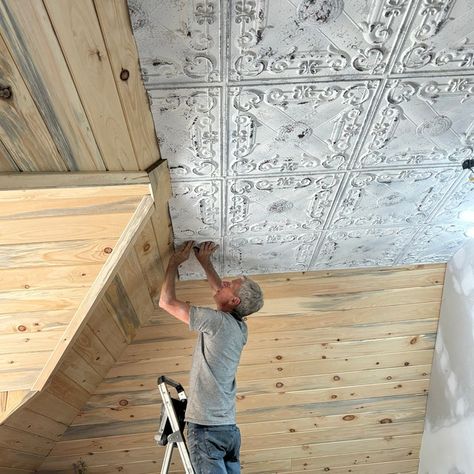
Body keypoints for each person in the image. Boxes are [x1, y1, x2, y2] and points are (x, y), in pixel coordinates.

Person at [159, 240, 264, 474]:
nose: (224, 282)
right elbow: (222, 295)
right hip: (225, 430)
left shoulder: (218, 322)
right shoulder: (239, 328)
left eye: (231, 285)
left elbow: (165, 302)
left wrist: (173, 263)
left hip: (210, 429)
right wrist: (205, 263)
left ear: (234, 300)